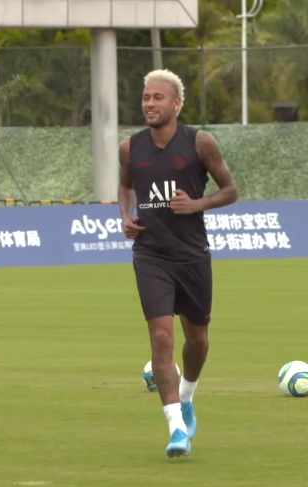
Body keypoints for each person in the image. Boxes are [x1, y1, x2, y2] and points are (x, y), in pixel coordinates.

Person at [117, 69, 239, 458]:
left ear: (176, 103)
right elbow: (124, 186)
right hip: (150, 254)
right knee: (161, 338)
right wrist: (126, 216)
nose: (149, 104)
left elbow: (230, 189)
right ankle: (176, 429)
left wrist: (197, 205)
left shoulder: (200, 142)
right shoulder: (130, 148)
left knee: (198, 341)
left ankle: (187, 395)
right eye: (146, 97)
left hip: (192, 255)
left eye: (158, 98)